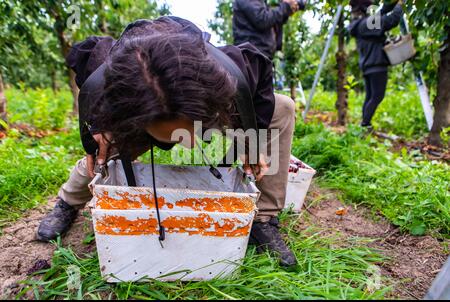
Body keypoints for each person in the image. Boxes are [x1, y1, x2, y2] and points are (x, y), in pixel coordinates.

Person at [36, 16, 298, 268]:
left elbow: (261, 75)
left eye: (186, 133)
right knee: (105, 148)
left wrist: (250, 141)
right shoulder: (113, 77)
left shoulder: (227, 70)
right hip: (140, 113)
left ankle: (263, 218)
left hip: (201, 104)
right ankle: (67, 202)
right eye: (173, 135)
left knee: (282, 106)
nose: (188, 145)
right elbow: (86, 63)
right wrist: (98, 129)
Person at [349, 0, 403, 130]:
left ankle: (364, 124)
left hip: (369, 65)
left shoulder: (360, 24)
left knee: (370, 97)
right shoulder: (367, 24)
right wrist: (400, 5)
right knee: (377, 95)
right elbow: (391, 20)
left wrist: (390, 4)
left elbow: (380, 14)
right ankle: (365, 124)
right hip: (376, 64)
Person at [232, 0, 301, 60]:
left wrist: (287, 10)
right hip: (251, 55)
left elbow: (271, 21)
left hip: (260, 55)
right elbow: (262, 20)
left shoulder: (261, 3)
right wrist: (285, 7)